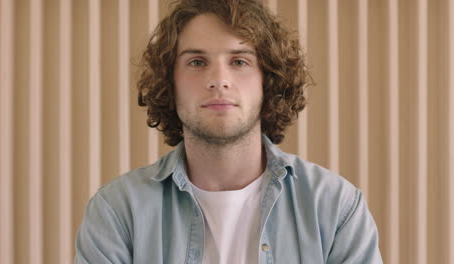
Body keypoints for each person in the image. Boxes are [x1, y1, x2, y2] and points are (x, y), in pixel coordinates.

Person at [75, 0, 383, 263]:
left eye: (239, 61)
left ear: (268, 81)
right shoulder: (117, 211)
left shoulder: (335, 207)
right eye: (197, 62)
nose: (219, 80)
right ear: (170, 83)